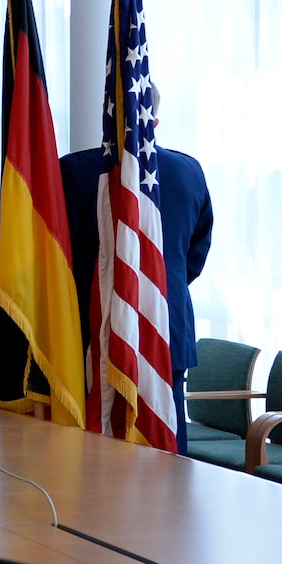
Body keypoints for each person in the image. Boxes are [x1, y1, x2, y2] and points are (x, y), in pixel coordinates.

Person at [59, 82, 214, 450]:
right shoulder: (189, 172)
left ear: (106, 112)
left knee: (95, 453)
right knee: (166, 452)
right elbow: (195, 254)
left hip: (96, 328)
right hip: (164, 325)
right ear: (154, 120)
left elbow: (58, 258)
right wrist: (154, 288)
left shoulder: (74, 172)